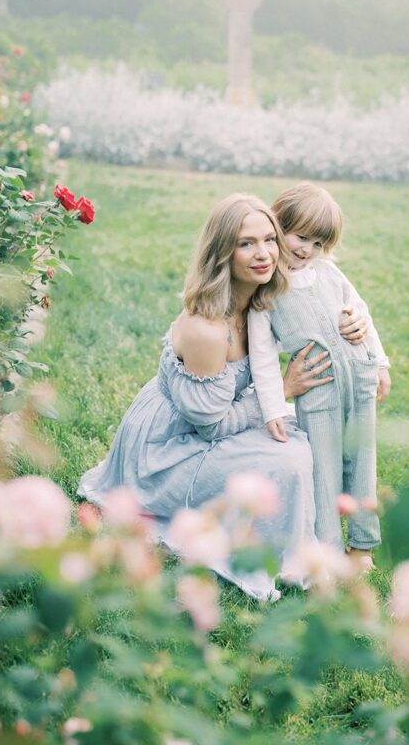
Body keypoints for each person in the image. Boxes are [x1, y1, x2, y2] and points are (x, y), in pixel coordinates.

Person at [78, 193, 321, 601]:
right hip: (171, 446)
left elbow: (328, 299)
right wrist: (281, 391)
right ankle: (270, 558)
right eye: (246, 243)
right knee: (289, 460)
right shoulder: (209, 328)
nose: (263, 254)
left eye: (269, 240)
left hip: (212, 421)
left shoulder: (261, 299)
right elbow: (210, 427)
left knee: (301, 438)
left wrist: (356, 322)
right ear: (222, 252)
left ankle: (298, 550)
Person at [248, 183, 390, 568]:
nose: (306, 249)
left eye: (317, 242)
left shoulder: (328, 272)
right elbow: (262, 358)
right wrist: (274, 407)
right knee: (323, 470)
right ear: (279, 224)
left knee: (363, 460)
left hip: (358, 380)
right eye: (300, 236)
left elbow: (361, 311)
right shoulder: (266, 293)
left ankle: (362, 547)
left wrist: (379, 363)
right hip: (318, 390)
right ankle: (326, 552)